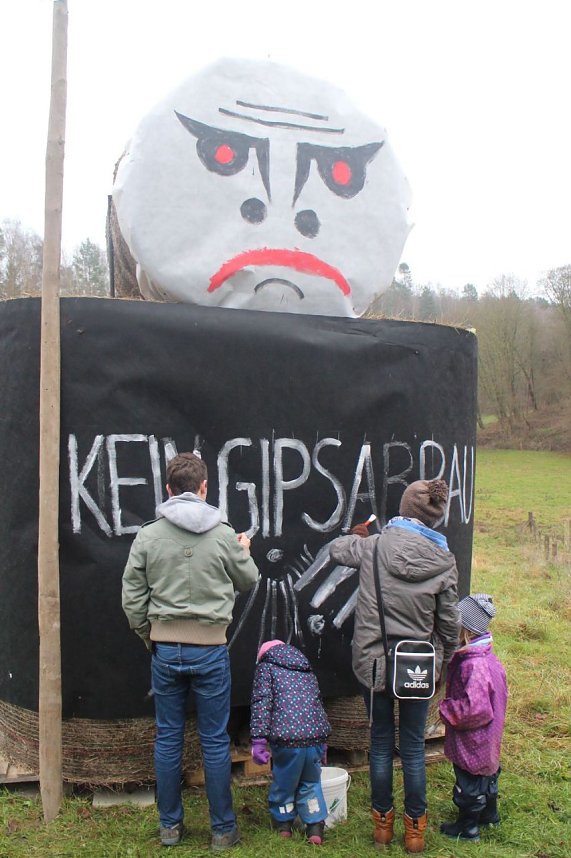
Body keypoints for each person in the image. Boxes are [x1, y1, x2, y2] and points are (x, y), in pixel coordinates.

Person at [121, 452, 259, 850]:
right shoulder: (222, 532)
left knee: (167, 738)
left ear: (167, 490)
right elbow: (248, 579)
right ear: (204, 488)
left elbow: (132, 597)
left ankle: (170, 828)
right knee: (215, 741)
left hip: (165, 650)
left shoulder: (148, 535)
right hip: (211, 650)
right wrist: (243, 549)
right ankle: (222, 830)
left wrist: (153, 636)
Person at [330, 479, 459, 853]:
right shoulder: (444, 559)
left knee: (381, 745)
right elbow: (449, 623)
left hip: (372, 663)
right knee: (415, 749)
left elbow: (337, 550)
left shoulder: (372, 546)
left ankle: (382, 828)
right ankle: (415, 833)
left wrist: (353, 533)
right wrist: (444, 661)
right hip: (417, 667)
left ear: (404, 509)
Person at [439, 593, 508, 842]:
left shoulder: (473, 665)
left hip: (474, 739)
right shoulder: (487, 657)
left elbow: (474, 709)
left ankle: (468, 828)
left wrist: (446, 709)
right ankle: (489, 814)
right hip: (490, 736)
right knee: (487, 776)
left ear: (466, 632)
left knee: (469, 782)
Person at [250, 640, 331, 845]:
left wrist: (259, 741)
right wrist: (322, 742)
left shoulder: (265, 668)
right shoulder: (306, 669)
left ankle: (284, 824)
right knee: (311, 782)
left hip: (286, 740)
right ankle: (314, 827)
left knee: (285, 782)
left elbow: (261, 703)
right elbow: (317, 704)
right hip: (313, 738)